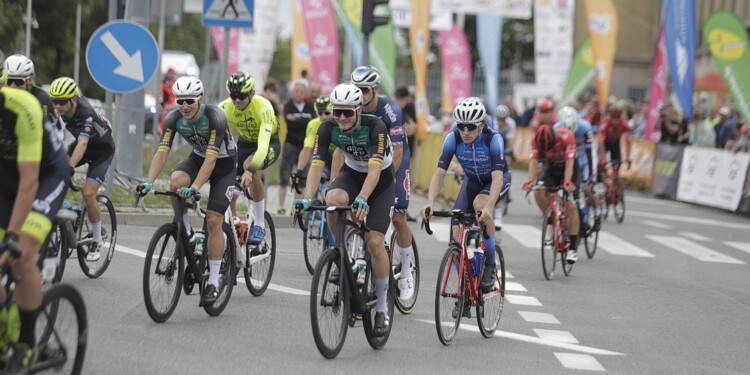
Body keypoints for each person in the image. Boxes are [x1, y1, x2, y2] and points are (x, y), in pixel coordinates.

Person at [293, 83, 394, 336]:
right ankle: (341, 252)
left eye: (347, 112)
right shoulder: (327, 127)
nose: (341, 117)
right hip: (352, 173)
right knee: (332, 201)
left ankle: (382, 307)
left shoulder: (375, 127)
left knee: (374, 241)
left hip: (379, 180)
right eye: (337, 111)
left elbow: (374, 171)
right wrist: (308, 198)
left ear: (359, 109)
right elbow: (316, 165)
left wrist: (362, 198)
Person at [136, 76, 237, 304]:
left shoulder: (215, 117)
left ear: (200, 99)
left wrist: (195, 188)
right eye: (180, 101)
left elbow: (212, 161)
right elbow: (162, 152)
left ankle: (213, 279)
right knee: (174, 182)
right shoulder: (174, 118)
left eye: (190, 101)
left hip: (224, 164)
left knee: (213, 220)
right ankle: (189, 234)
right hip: (198, 157)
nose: (185, 106)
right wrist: (149, 181)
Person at [0, 86, 70, 370]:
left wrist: (14, 235)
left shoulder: (22, 106)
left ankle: (27, 344)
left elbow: (29, 180)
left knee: (21, 254)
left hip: (46, 177)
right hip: (5, 178)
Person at [421, 98, 510, 291]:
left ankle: (490, 265)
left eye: (470, 126)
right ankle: (465, 290)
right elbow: (439, 173)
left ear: (482, 125)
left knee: (480, 205)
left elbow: (497, 178)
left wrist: (488, 207)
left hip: (495, 180)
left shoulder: (493, 140)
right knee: (455, 236)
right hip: (471, 181)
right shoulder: (453, 138)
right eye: (461, 126)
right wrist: (430, 203)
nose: (465, 132)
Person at [350, 65, 415, 302]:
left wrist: (382, 184)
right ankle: (357, 256)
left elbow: (397, 152)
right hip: (369, 160)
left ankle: (407, 272)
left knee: (398, 217)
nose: (360, 93)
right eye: (357, 88)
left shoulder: (390, 110)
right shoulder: (351, 106)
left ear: (375, 89)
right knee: (355, 209)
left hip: (395, 162)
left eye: (365, 89)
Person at [49, 77, 116, 262]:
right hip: (81, 147)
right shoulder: (56, 110)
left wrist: (69, 167)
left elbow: (83, 142)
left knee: (88, 193)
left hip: (101, 152)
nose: (58, 106)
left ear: (73, 99)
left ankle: (97, 238)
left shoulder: (85, 111)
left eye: (62, 102)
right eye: (54, 101)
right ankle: (69, 211)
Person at [219, 72, 280, 245]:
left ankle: (260, 223)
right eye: (234, 96)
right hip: (245, 143)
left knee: (249, 167)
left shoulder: (264, 107)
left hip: (268, 144)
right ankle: (233, 224)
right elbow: (210, 127)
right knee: (228, 180)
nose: (237, 100)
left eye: (242, 96)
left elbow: (262, 146)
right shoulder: (226, 107)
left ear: (252, 93)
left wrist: (250, 170)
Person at [522, 125, 581, 264]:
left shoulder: (567, 136)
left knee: (571, 207)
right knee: (538, 191)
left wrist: (567, 182)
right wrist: (530, 181)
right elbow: (534, 162)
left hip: (569, 168)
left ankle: (572, 248)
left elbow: (570, 163)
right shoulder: (535, 140)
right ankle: (550, 219)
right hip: (552, 169)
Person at [553, 106, 600, 229]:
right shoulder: (556, 128)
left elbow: (589, 152)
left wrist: (591, 176)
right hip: (569, 158)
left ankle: (597, 214)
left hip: (584, 156)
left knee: (587, 188)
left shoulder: (585, 126)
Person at [280, 79, 316, 214]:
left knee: (301, 178)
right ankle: (281, 206)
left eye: (302, 91)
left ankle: (295, 208)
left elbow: (312, 123)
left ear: (305, 93)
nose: (299, 94)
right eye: (297, 91)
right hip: (290, 144)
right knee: (285, 175)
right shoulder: (287, 106)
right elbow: (290, 125)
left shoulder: (310, 106)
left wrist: (297, 119)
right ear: (292, 92)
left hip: (305, 146)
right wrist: (304, 120)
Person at [3, 54, 59, 132]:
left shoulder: (41, 98)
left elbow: (46, 131)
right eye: (9, 81)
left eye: (18, 82)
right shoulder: (2, 95)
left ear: (29, 80)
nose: (13, 86)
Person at [294, 96, 334, 184]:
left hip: (339, 155)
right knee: (315, 176)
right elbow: (307, 149)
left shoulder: (340, 122)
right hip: (323, 154)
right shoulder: (313, 124)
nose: (323, 117)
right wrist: (299, 170)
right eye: (320, 113)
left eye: (327, 113)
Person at [598, 105, 632, 172]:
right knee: (601, 162)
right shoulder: (605, 122)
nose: (615, 120)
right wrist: (603, 157)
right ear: (610, 116)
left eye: (618, 117)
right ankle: (600, 176)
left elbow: (628, 140)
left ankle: (614, 177)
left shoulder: (624, 122)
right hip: (605, 143)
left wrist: (628, 156)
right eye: (613, 117)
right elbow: (601, 141)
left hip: (615, 143)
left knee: (618, 163)